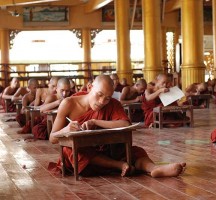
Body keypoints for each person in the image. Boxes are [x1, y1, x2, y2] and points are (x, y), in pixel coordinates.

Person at [49, 75, 186, 178]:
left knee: (133, 151)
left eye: (107, 97)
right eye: (99, 95)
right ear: (90, 88)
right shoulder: (68, 104)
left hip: (105, 148)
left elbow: (124, 124)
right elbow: (52, 138)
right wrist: (66, 130)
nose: (102, 102)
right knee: (72, 150)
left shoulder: (112, 103)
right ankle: (118, 165)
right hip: (83, 154)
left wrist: (96, 122)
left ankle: (154, 169)